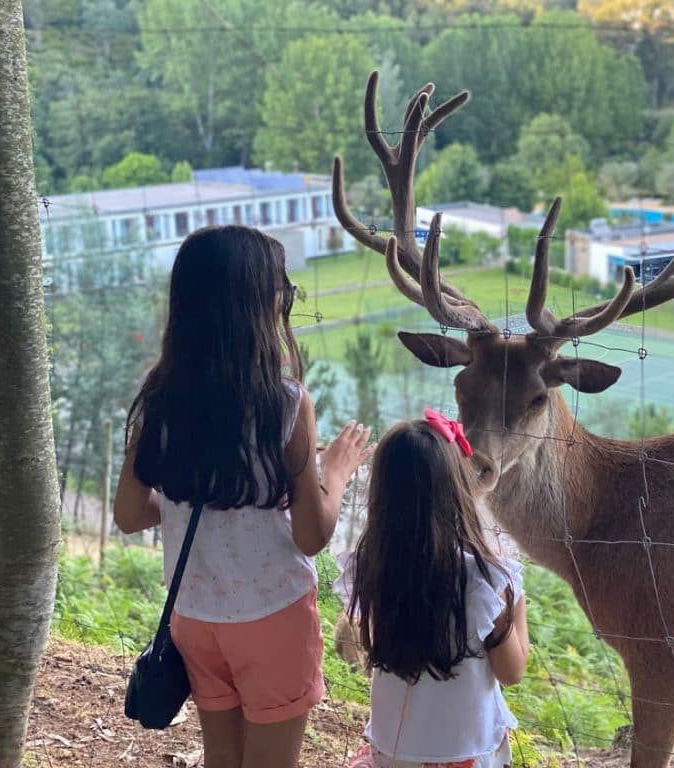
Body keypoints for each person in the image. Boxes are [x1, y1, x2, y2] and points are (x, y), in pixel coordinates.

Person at [113, 225, 374, 768]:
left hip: (196, 619)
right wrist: (336, 471)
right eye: (284, 292)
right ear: (260, 306)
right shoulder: (285, 403)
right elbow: (311, 536)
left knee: (222, 760)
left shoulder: (159, 398)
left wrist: (189, 504)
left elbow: (129, 514)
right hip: (272, 618)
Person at [335, 409, 530, 768]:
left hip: (392, 751)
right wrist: (515, 596)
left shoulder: (371, 564)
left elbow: (374, 643)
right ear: (456, 488)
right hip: (465, 752)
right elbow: (512, 671)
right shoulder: (485, 577)